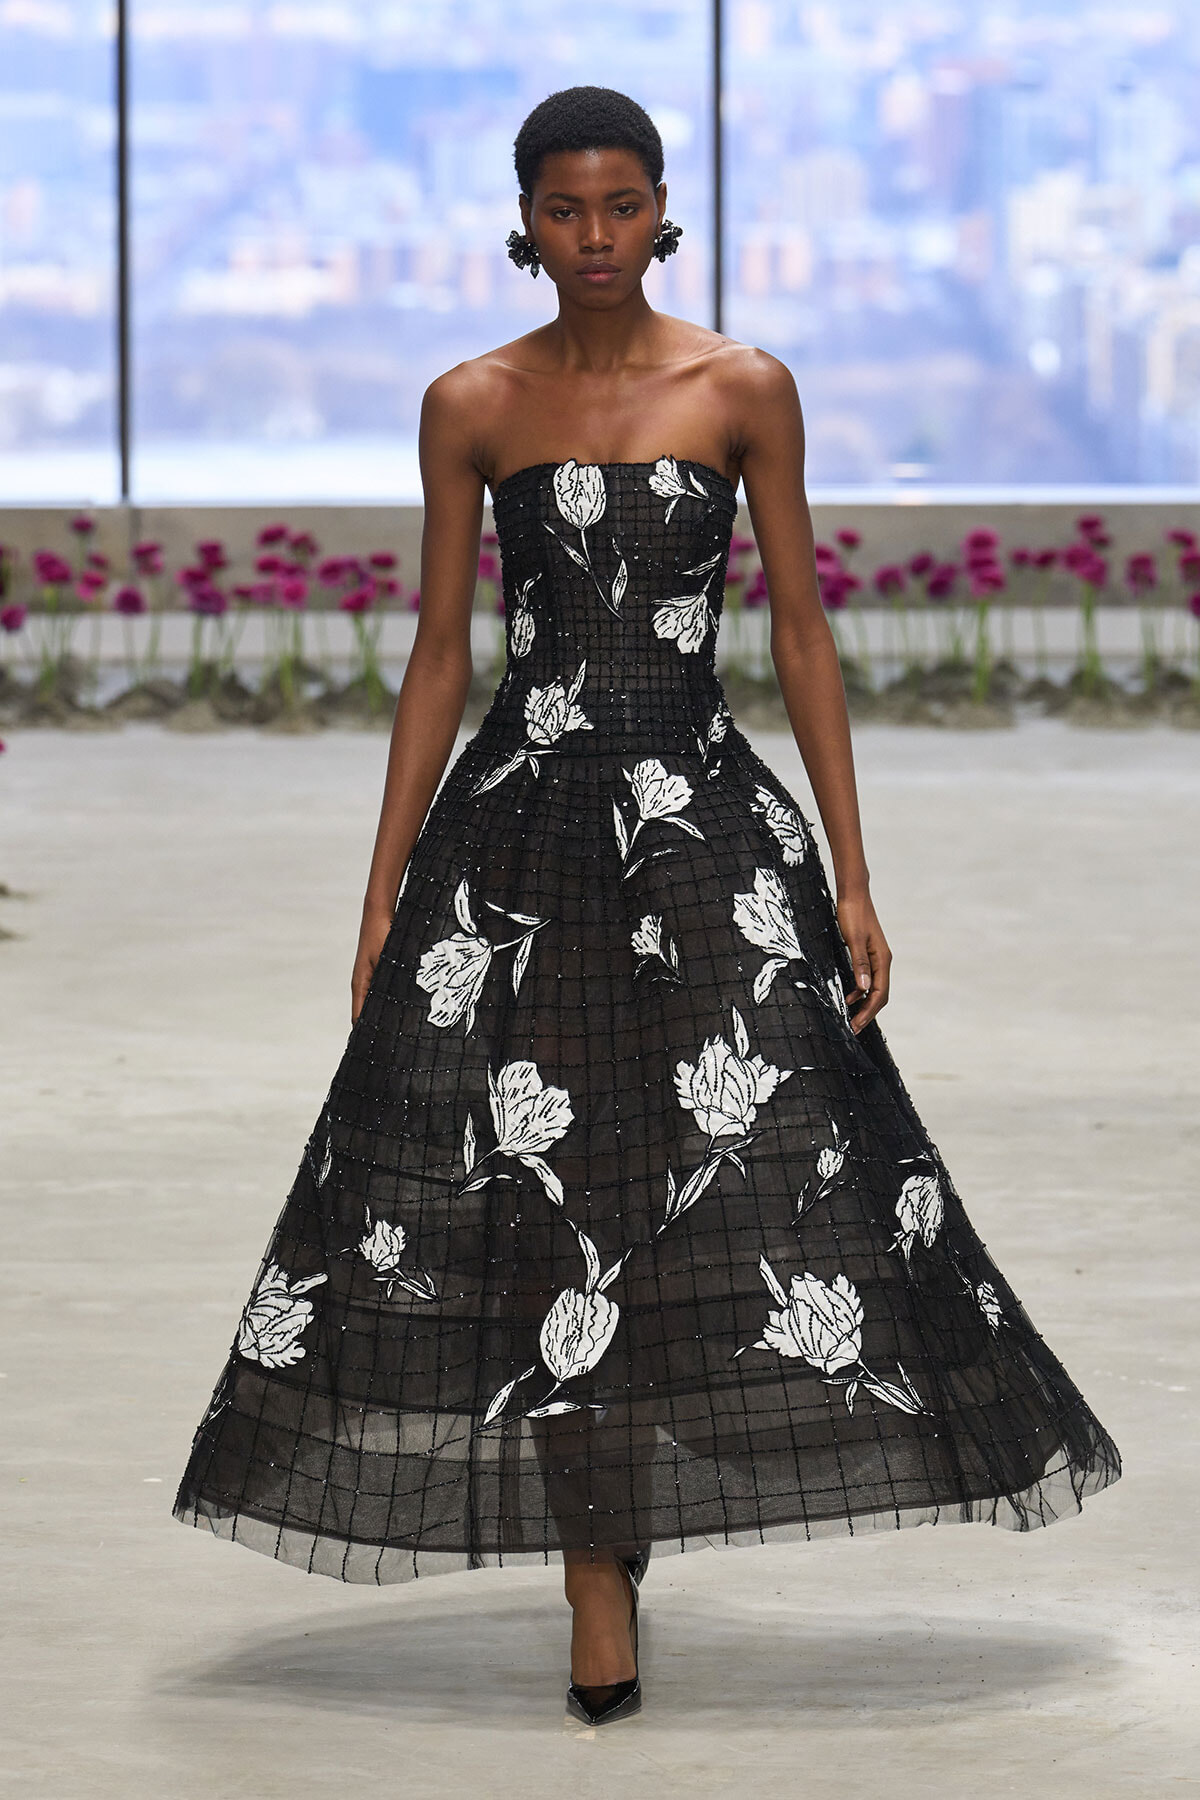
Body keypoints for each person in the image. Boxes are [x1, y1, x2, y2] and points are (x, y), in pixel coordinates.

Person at [173, 84, 1122, 1729]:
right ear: (523, 221)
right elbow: (444, 654)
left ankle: (634, 1532)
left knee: (751, 1172)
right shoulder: (469, 403)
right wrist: (386, 881)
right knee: (545, 1191)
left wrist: (853, 864)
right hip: (521, 845)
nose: (595, 238)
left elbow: (806, 638)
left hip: (704, 835)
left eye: (623, 207)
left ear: (662, 210)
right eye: (566, 211)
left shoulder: (743, 385)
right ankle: (596, 1591)